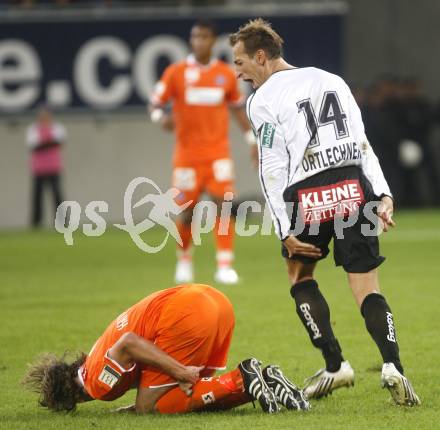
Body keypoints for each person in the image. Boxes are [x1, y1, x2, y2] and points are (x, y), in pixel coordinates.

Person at [229, 19, 420, 406]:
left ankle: (335, 365)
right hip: (353, 185)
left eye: (240, 62)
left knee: (299, 274)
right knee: (366, 286)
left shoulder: (262, 100)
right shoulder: (332, 79)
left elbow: (271, 167)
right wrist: (382, 193)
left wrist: (284, 229)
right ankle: (393, 367)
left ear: (261, 56)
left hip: (310, 192)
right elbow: (361, 142)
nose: (238, 72)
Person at [23, 284, 309, 414]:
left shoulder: (97, 384)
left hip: (186, 313)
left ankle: (242, 378)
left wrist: (179, 371)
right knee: (186, 394)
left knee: (152, 407)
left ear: (71, 399)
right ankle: (262, 379)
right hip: (214, 300)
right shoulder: (93, 356)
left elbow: (130, 344)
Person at [149, 20, 257, 285]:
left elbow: (237, 109)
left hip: (218, 154)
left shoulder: (226, 74)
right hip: (187, 157)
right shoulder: (176, 73)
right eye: (195, 36)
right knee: (188, 211)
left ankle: (224, 265)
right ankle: (184, 260)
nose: (199, 41)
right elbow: (155, 103)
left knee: (224, 205)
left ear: (213, 41)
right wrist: (159, 118)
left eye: (204, 37)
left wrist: (251, 139)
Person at [26, 106, 66, 227]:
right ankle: (36, 222)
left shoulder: (57, 127)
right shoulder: (33, 129)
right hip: (39, 169)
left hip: (54, 168)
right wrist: (49, 143)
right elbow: (34, 146)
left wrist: (44, 144)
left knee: (57, 196)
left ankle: (62, 221)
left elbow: (59, 142)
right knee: (37, 197)